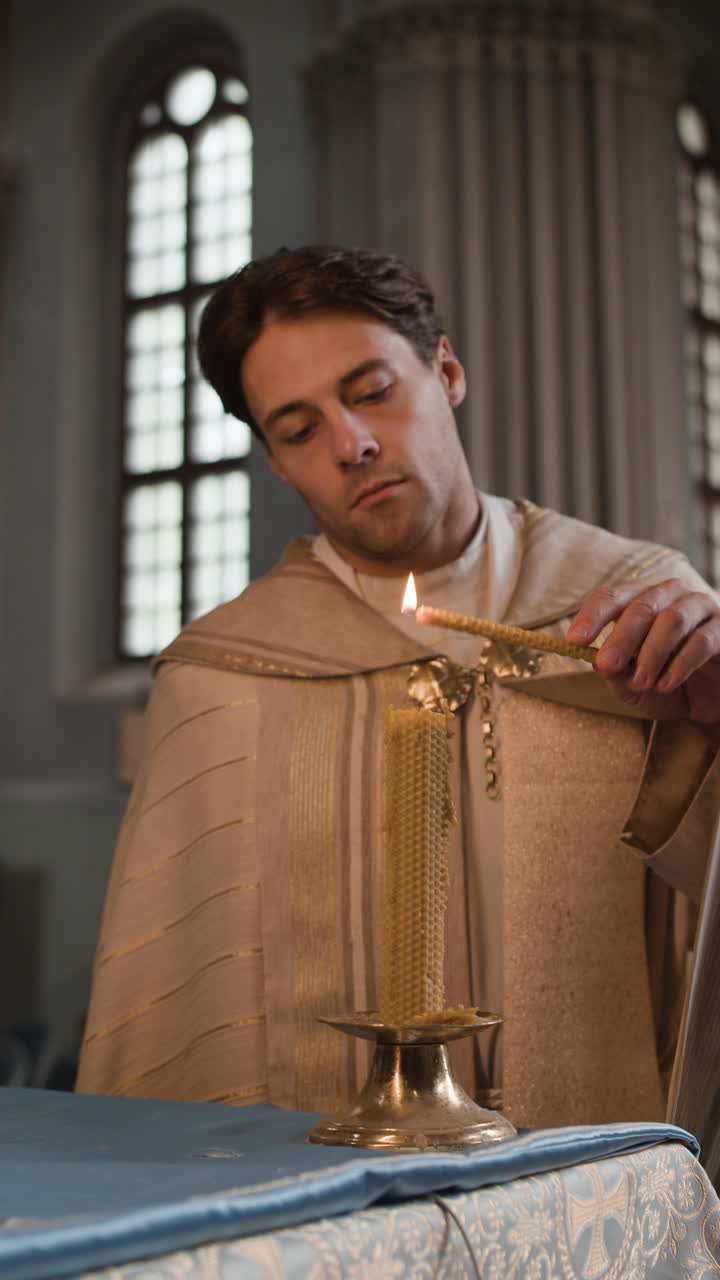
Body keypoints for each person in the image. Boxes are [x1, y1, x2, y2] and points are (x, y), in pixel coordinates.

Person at [76, 246, 720, 1147]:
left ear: (446, 371)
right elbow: (174, 1016)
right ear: (276, 464)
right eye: (299, 430)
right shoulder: (220, 678)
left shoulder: (643, 616)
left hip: (590, 1186)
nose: (353, 445)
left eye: (372, 390)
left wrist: (710, 725)